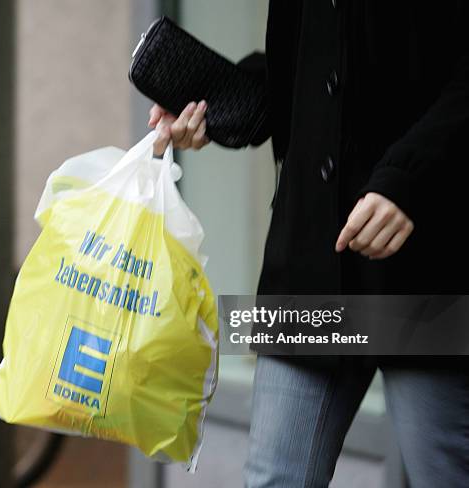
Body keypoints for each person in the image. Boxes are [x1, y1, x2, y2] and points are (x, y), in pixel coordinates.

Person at [147, 1, 469, 487]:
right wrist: (207, 104)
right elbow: (296, 74)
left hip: (427, 266)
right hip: (309, 256)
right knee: (275, 479)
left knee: (443, 475)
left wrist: (410, 178)